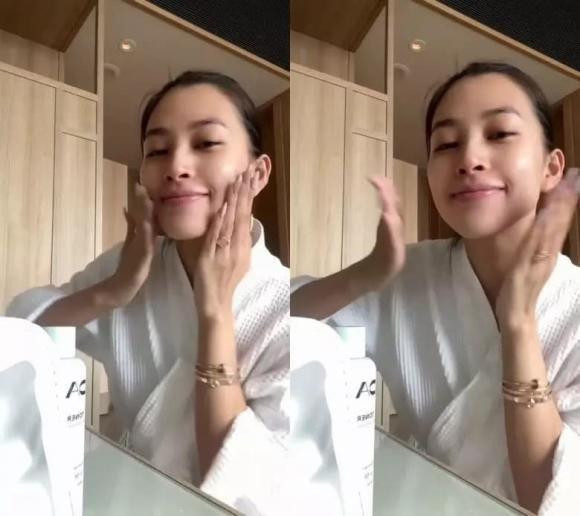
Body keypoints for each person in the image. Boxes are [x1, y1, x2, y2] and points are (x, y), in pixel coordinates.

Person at [291, 61, 580, 515]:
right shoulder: (408, 275)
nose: (469, 159)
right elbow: (279, 324)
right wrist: (366, 274)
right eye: (446, 144)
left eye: (500, 134)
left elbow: (554, 499)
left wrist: (519, 322)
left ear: (551, 167)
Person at [8, 70, 289, 512]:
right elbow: (21, 329)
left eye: (206, 143)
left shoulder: (285, 307)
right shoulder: (135, 267)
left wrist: (215, 311)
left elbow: (245, 490)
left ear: (258, 172)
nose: (176, 167)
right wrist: (115, 289)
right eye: (157, 150)